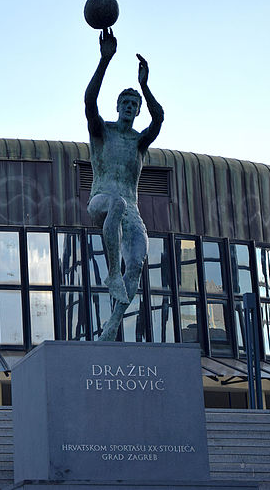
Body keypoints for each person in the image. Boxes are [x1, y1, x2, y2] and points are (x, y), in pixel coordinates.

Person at [84, 28, 164, 341]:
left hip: (131, 210)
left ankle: (112, 327)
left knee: (138, 260)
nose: (130, 108)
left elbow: (159, 120)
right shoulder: (102, 132)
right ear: (118, 107)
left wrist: (145, 85)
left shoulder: (139, 142)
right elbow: (89, 101)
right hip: (101, 201)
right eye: (126, 103)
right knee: (115, 203)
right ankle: (111, 274)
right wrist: (105, 60)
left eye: (135, 104)